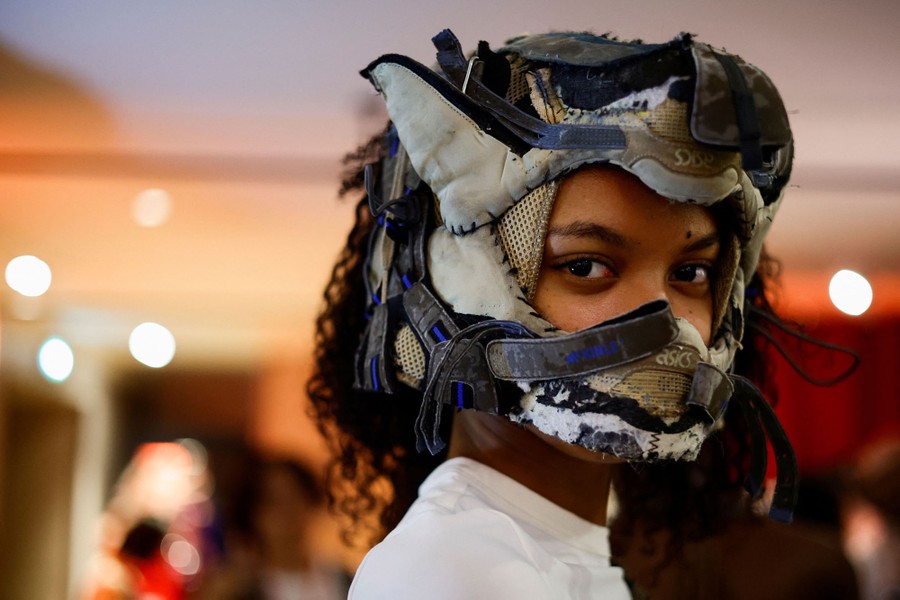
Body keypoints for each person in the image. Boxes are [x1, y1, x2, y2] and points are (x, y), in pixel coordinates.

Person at [308, 28, 797, 598]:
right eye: (586, 267)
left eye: (691, 273)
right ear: (450, 289)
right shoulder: (454, 568)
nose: (665, 320)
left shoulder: (542, 550)